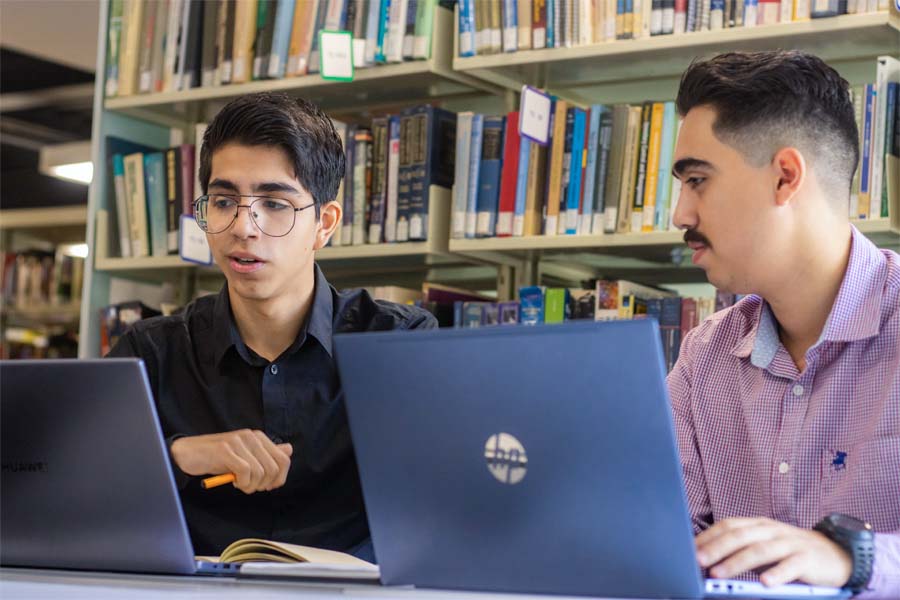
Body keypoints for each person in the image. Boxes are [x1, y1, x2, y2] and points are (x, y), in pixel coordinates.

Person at [109, 92, 437, 559]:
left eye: (275, 203)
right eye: (224, 201)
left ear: (324, 223)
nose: (244, 226)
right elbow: (71, 479)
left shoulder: (397, 343)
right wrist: (182, 454)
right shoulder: (151, 352)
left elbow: (441, 499)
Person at [666, 50, 899, 597]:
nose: (681, 215)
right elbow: (665, 540)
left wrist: (852, 559)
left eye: (697, 180)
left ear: (785, 177)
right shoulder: (703, 358)